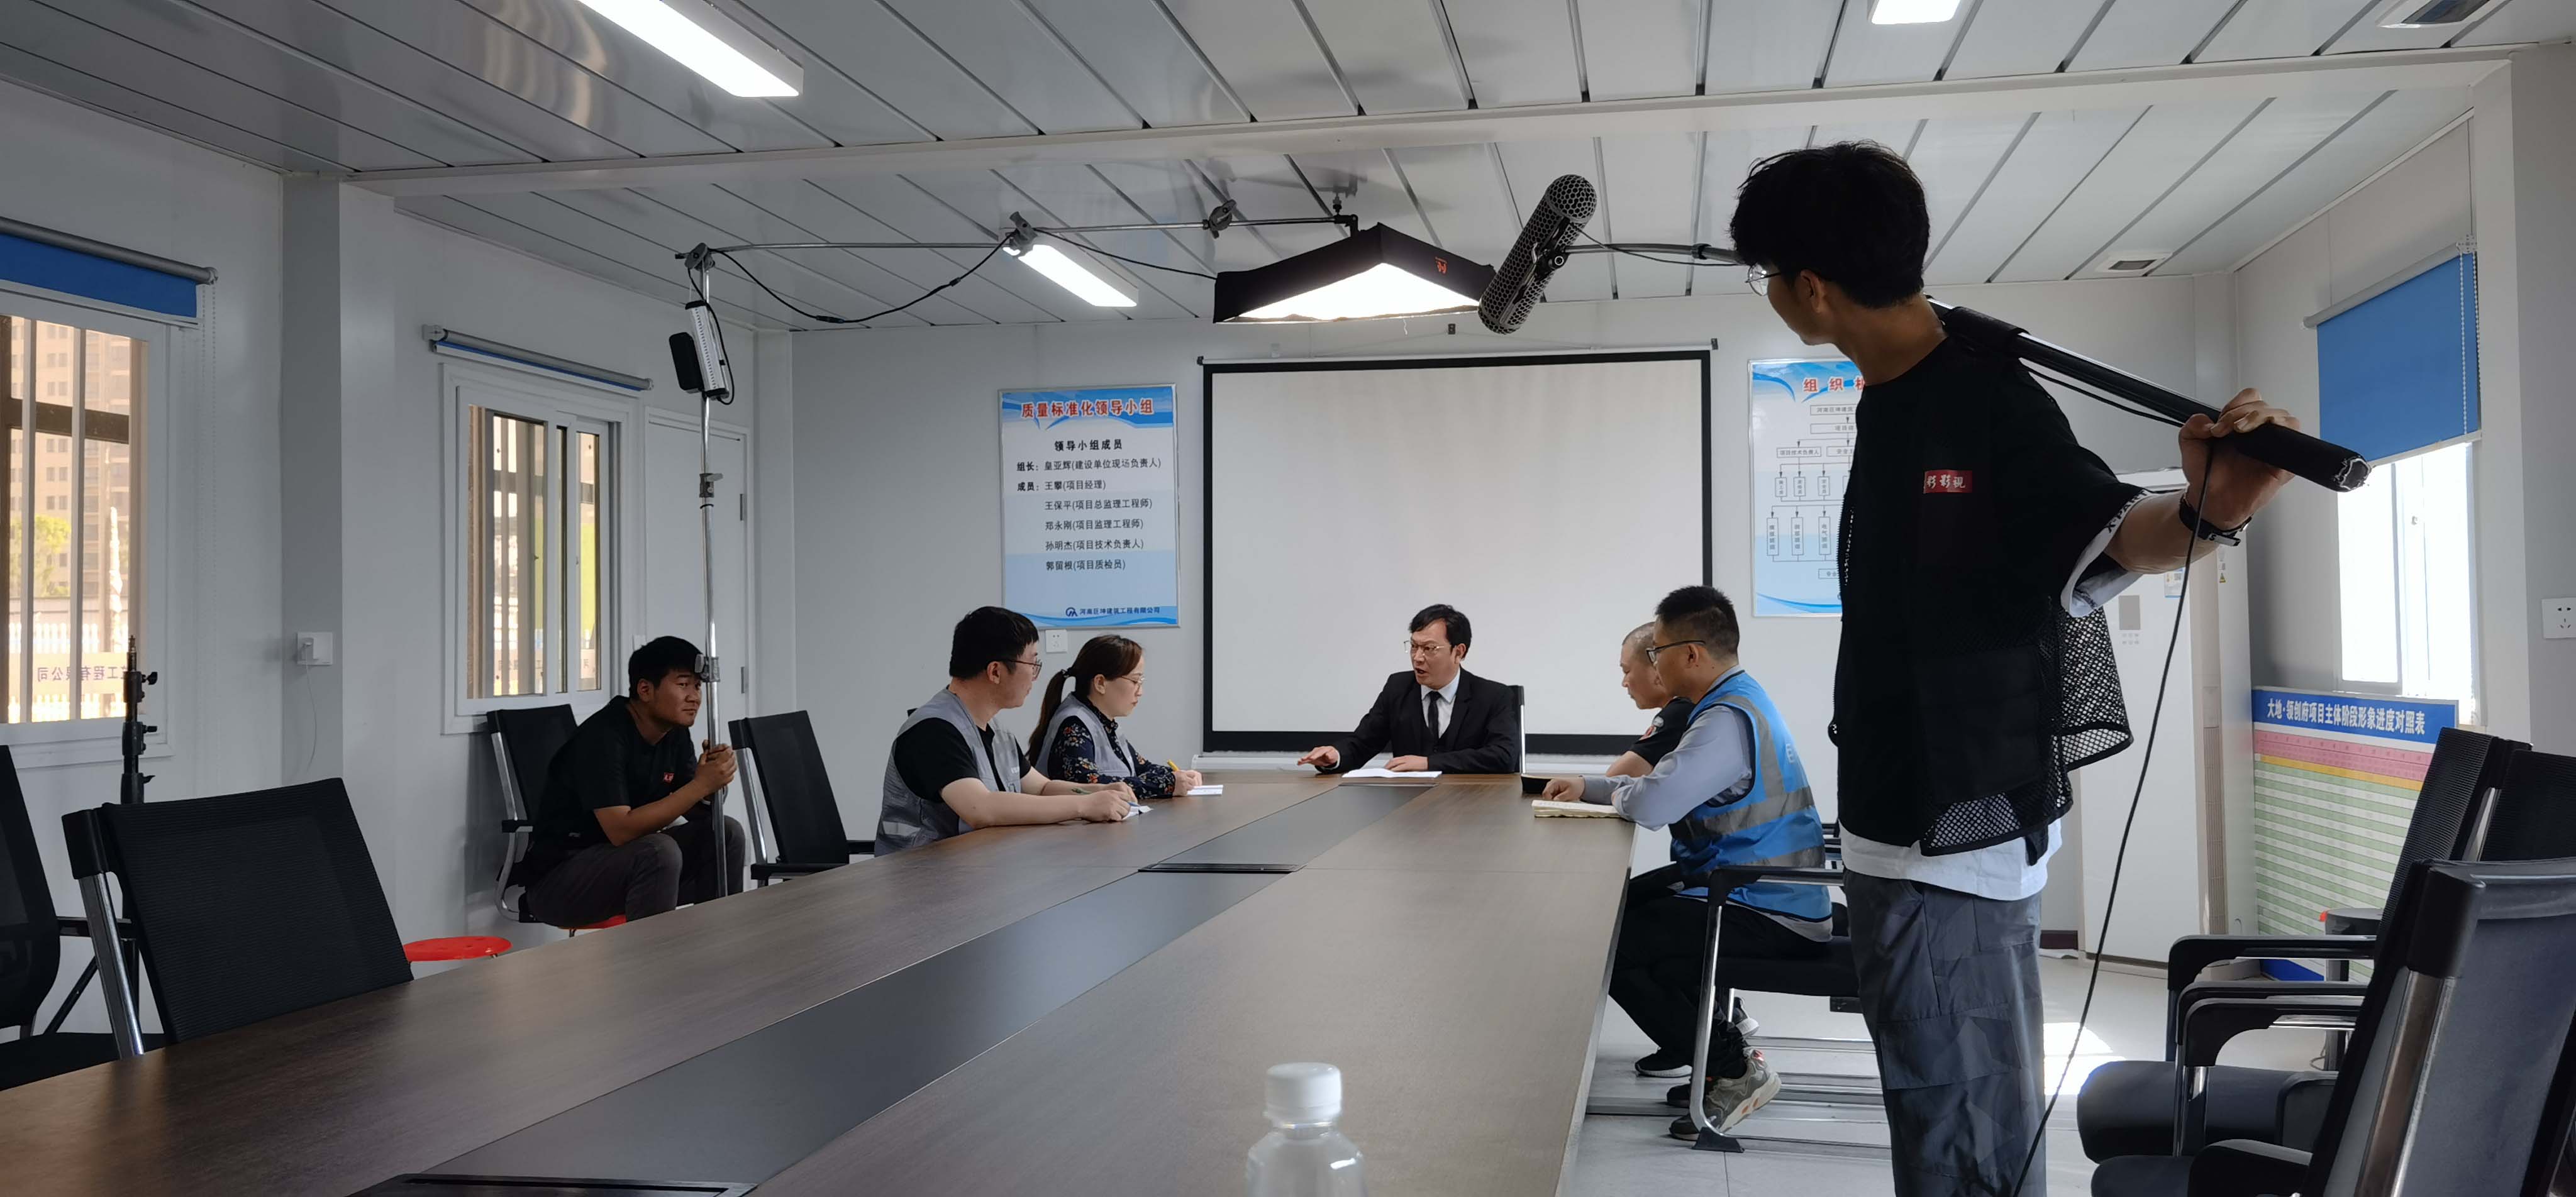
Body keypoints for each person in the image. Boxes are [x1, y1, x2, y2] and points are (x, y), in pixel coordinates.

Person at [1729, 142, 2297, 1194]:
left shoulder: (1987, 398)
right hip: (1910, 826)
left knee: (1963, 1138)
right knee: (1948, 1121)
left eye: (1763, 273)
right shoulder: (1894, 391)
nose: (1766, 291)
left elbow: (2108, 529)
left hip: (1949, 844)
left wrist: (2211, 509)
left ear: (1810, 287)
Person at [1541, 587, 1830, 1140]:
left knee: (1612, 942)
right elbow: (1659, 787)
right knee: (1630, 914)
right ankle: (1710, 1056)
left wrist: (1610, 791)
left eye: (1658, 652)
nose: (1654, 663)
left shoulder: (1723, 719)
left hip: (1765, 905)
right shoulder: (1738, 701)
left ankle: (1733, 1068)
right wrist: (1590, 786)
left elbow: (1655, 802)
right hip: (1758, 889)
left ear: (1692, 654)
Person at [518, 636, 746, 925]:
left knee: (725, 832)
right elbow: (621, 831)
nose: (695, 697)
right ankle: (654, 954)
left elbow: (692, 807)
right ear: (645, 690)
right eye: (683, 685)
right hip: (560, 881)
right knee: (658, 850)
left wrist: (710, 787)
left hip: (630, 867)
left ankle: (716, 938)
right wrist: (700, 785)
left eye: (698, 687)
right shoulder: (603, 737)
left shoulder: (674, 733)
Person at [878, 606, 1140, 853]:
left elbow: (1041, 788)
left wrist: (1098, 791)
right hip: (921, 875)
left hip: (979, 867)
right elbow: (980, 809)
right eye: (1032, 665)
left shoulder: (997, 731)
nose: (1035, 676)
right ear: (995, 671)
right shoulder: (933, 730)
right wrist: (1083, 805)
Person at [1294, 604, 1521, 775]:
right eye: (1414, 646)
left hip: (1473, 805)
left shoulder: (1493, 696)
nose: (1417, 657)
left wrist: (1429, 763)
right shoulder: (1398, 688)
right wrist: (1335, 756)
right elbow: (1363, 743)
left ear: (1459, 652)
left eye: (1429, 648)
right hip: (1409, 807)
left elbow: (1504, 756)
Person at [1030, 634, 1204, 798]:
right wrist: (1167, 785)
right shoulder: (1075, 724)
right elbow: (1086, 784)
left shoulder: (1104, 722)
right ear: (1100, 683)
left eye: (1141, 682)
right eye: (1135, 681)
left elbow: (1141, 768)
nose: (1140, 692)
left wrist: (1178, 776)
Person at [1609, 622, 1691, 779]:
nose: (1624, 683)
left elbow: (1615, 779)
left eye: (1627, 671)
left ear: (1656, 667)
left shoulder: (1680, 712)